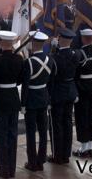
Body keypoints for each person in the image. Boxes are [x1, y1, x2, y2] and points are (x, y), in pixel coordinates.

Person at [0, 30, 24, 178]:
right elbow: (20, 80)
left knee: (2, 136)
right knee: (13, 134)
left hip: (2, 100)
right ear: (11, 44)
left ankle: (4, 169)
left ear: (1, 44)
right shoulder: (19, 59)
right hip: (14, 98)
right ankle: (12, 169)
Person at [21, 31, 54, 172]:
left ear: (33, 44)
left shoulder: (29, 62)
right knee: (42, 131)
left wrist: (23, 104)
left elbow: (25, 85)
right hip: (44, 98)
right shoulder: (50, 60)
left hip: (31, 100)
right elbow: (50, 82)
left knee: (30, 132)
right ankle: (41, 160)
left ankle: (32, 161)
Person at [48, 28, 80, 164]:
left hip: (58, 93)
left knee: (57, 124)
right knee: (67, 123)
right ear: (71, 41)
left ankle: (57, 155)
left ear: (59, 39)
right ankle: (66, 154)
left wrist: (53, 49)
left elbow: (51, 74)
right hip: (71, 91)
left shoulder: (54, 58)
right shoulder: (76, 55)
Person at [73, 29, 92, 158]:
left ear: (83, 38)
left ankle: (84, 149)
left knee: (81, 117)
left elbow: (76, 73)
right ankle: (90, 146)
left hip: (82, 88)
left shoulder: (80, 53)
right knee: (90, 116)